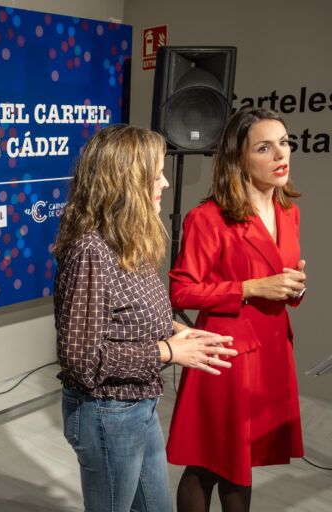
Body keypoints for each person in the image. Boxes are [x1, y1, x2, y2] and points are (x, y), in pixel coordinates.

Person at [53, 124, 237, 512]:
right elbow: (83, 362)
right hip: (107, 413)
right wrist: (168, 351)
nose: (166, 183)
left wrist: (177, 330)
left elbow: (132, 308)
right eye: (156, 175)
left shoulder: (128, 237)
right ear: (125, 182)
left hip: (140, 403)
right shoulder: (90, 251)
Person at [166, 108, 307, 512]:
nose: (281, 154)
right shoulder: (207, 218)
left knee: (241, 463)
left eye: (284, 142)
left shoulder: (288, 212)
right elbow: (182, 292)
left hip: (272, 351)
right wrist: (249, 288)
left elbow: (281, 282)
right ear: (238, 158)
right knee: (210, 464)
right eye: (264, 147)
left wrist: (295, 288)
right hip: (226, 354)